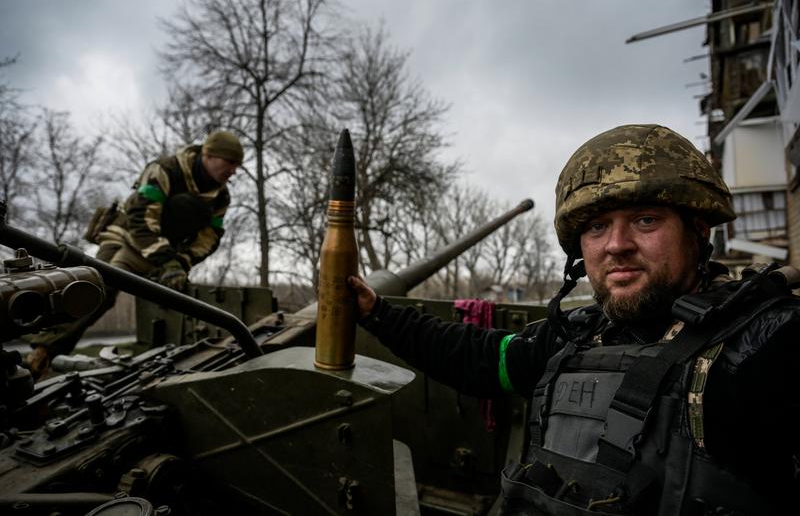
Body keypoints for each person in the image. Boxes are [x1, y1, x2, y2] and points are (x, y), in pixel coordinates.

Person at [348, 124, 800, 515]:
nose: (616, 244)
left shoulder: (767, 346)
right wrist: (376, 312)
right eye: (597, 226)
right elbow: (479, 359)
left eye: (645, 219)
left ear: (698, 230)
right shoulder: (576, 338)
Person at [26, 130, 243, 375]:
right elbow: (140, 218)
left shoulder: (221, 197)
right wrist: (167, 261)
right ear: (209, 154)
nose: (234, 170)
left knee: (175, 295)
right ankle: (42, 352)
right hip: (127, 234)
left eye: (238, 165)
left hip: (167, 250)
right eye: (230, 162)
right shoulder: (165, 170)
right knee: (96, 289)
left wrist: (180, 262)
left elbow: (209, 238)